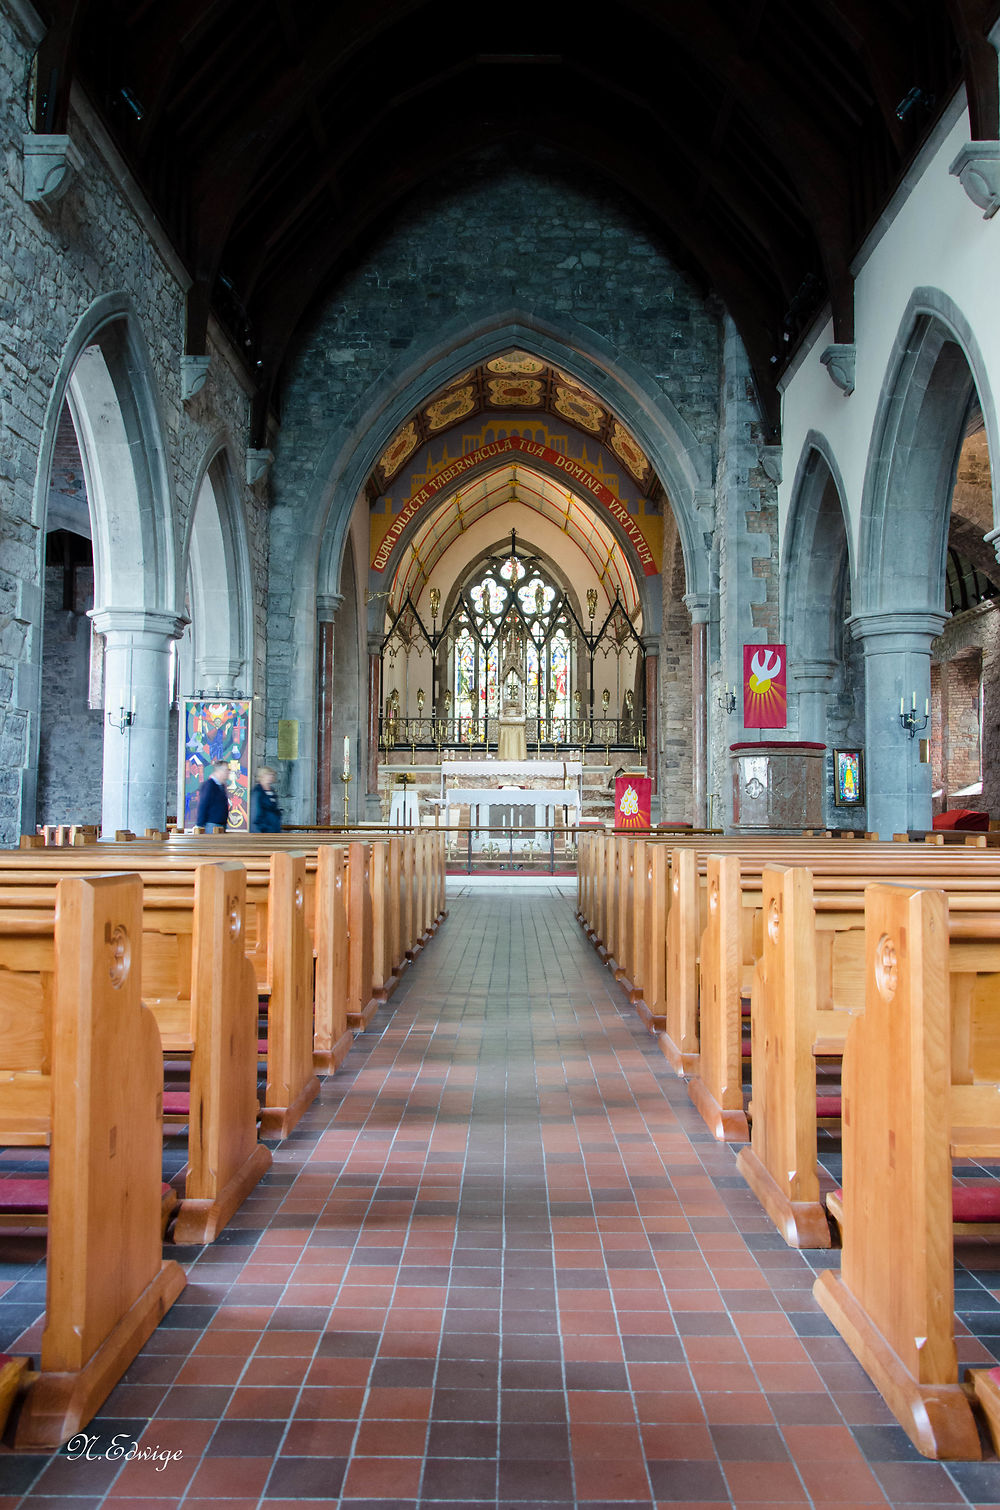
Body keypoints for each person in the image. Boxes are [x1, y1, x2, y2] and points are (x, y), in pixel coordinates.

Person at [195, 760, 230, 832]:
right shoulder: (209, 785)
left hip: (221, 824)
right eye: (226, 770)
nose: (228, 772)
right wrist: (199, 825)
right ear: (219, 771)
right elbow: (203, 804)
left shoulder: (221, 786)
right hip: (212, 825)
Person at [250, 766, 283, 833]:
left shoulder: (272, 791)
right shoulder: (257, 792)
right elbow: (255, 815)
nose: (270, 777)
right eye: (268, 774)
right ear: (262, 776)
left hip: (274, 829)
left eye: (272, 775)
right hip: (264, 830)